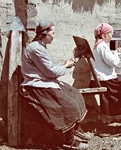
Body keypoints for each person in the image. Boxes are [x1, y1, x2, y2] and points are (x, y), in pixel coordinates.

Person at [21, 20, 89, 149]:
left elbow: (48, 68)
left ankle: (74, 130)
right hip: (37, 86)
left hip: (45, 82)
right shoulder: (36, 48)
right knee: (69, 105)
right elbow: (50, 72)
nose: (54, 36)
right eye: (53, 33)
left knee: (75, 94)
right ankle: (68, 142)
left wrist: (69, 62)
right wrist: (66, 66)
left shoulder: (40, 46)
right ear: (45, 33)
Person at [89, 23, 121, 131]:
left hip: (103, 77)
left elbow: (107, 59)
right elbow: (114, 63)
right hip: (106, 80)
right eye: (111, 34)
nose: (112, 36)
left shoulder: (99, 45)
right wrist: (117, 54)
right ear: (104, 34)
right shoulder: (102, 46)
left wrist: (116, 52)